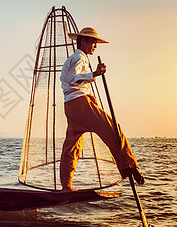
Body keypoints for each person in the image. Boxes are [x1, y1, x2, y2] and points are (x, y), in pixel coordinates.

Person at [59, 27, 145, 192]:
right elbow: (72, 79)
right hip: (79, 105)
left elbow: (72, 82)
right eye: (92, 42)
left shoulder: (75, 58)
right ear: (83, 41)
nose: (95, 46)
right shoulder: (79, 58)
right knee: (113, 129)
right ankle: (129, 166)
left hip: (71, 106)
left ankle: (66, 186)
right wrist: (95, 73)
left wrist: (89, 94)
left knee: (72, 146)